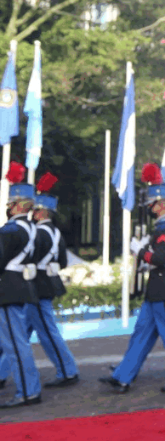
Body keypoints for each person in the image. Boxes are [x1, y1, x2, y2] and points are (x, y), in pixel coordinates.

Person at [99, 163, 165, 393]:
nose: (150, 208)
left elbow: (160, 258)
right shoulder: (163, 226)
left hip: (164, 284)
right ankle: (123, 376)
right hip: (157, 286)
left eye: (153, 204)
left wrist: (141, 251)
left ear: (162, 205)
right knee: (141, 335)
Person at [25, 173, 79, 388]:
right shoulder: (56, 233)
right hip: (47, 283)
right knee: (20, 332)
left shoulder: (38, 233)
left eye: (35, 210)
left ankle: (67, 371)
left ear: (43, 212)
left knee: (47, 332)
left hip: (36, 286)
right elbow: (63, 261)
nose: (33, 213)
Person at [0, 162, 41, 407]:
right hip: (16, 286)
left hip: (7, 289)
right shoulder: (30, 228)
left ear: (17, 205)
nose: (8, 208)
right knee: (16, 343)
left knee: (15, 345)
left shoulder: (11, 230)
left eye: (10, 204)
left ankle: (28, 391)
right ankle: (28, 389)